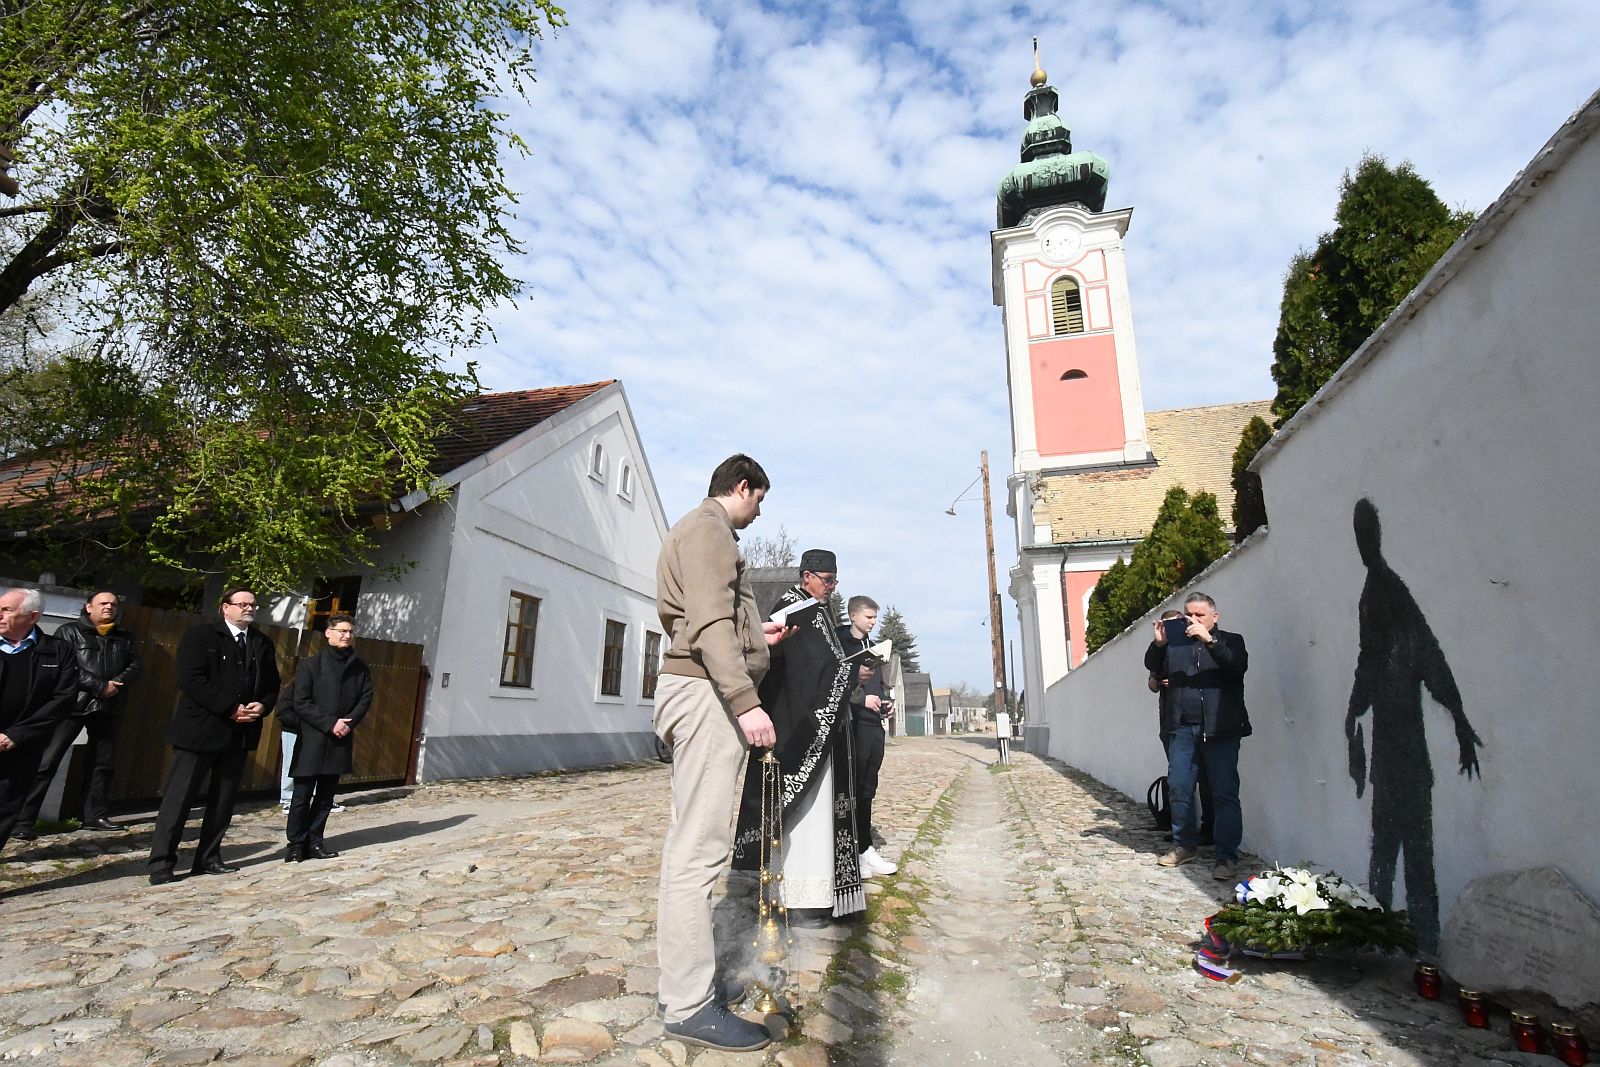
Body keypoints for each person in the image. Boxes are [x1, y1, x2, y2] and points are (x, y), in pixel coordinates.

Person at [654, 454, 789, 1054]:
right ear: (742, 487)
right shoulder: (710, 531)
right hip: (707, 694)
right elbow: (708, 622)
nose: (758, 513)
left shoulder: (699, 530)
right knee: (698, 853)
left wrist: (759, 639)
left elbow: (714, 619)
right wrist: (744, 699)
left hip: (704, 689)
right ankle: (688, 1005)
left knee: (692, 847)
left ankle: (684, 990)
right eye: (758, 500)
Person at [1345, 497, 1480, 952]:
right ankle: (1386, 928)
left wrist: (1458, 716)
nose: (1364, 542)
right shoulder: (1376, 587)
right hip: (1390, 732)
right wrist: (1354, 711)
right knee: (1393, 839)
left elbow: (1424, 652)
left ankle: (1412, 935)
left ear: (1375, 536)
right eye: (1359, 533)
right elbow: (1373, 659)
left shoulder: (1385, 589)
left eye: (1367, 532)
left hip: (1401, 733)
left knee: (1406, 842)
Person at [732, 549, 866, 927]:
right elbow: (799, 673)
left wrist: (852, 675)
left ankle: (820, 895)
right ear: (806, 576)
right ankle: (792, 896)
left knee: (820, 820)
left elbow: (828, 667)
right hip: (798, 729)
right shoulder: (791, 609)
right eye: (827, 581)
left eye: (835, 581)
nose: (831, 588)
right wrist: (843, 676)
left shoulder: (822, 614)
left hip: (823, 732)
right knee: (797, 820)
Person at [147, 586, 280, 884]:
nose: (249, 608)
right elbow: (191, 680)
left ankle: (208, 857)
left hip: (240, 733)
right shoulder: (201, 637)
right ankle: (161, 863)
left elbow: (272, 683)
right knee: (179, 799)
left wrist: (263, 704)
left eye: (253, 605)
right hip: (200, 730)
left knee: (223, 800)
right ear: (225, 607)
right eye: (242, 603)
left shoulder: (261, 643)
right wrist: (229, 707)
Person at [13, 590, 142, 838]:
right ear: (88, 607)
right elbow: (67, 666)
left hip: (109, 706)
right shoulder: (69, 632)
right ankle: (23, 820)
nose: (109, 607)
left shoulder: (124, 636)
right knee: (46, 761)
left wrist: (115, 683)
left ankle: (94, 816)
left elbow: (135, 665)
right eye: (103, 603)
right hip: (73, 704)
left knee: (101, 763)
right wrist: (99, 685)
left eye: (113, 604)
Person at [1145, 592, 1249, 882]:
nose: (1192, 620)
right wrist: (1159, 643)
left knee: (1224, 792)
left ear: (1214, 617)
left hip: (1221, 728)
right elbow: (1151, 665)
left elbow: (1235, 666)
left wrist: (1209, 640)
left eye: (1200, 615)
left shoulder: (1231, 640)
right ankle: (1184, 846)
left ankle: (1226, 856)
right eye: (1189, 614)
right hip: (1182, 727)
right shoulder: (1175, 646)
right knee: (1179, 787)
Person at [284, 615, 372, 862]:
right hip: (313, 738)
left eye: (350, 631)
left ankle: (315, 841)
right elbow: (301, 702)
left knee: (325, 797)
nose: (347, 635)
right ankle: (295, 844)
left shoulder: (360, 668)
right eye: (342, 631)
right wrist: (329, 722)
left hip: (339, 739)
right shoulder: (311, 666)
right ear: (328, 633)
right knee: (301, 796)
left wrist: (348, 723)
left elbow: (365, 698)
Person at [0, 588, 80, 851]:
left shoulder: (58, 652)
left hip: (22, 747)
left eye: (7, 610)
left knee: (5, 809)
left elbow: (63, 699)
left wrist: (17, 735)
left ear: (32, 616)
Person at [836, 595, 897, 879]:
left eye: (875, 617)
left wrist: (885, 702)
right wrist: (862, 701)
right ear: (853, 615)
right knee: (852, 788)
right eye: (869, 617)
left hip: (874, 726)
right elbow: (836, 684)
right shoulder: (842, 645)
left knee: (868, 789)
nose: (873, 622)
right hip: (853, 725)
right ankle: (851, 850)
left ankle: (865, 850)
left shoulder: (874, 649)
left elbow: (878, 686)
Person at [1148, 609, 1213, 846]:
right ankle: (1183, 831)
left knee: (1206, 779)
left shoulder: (1197, 645)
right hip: (1171, 720)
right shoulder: (1163, 648)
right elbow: (1151, 681)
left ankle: (1207, 828)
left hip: (1198, 722)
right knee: (1179, 782)